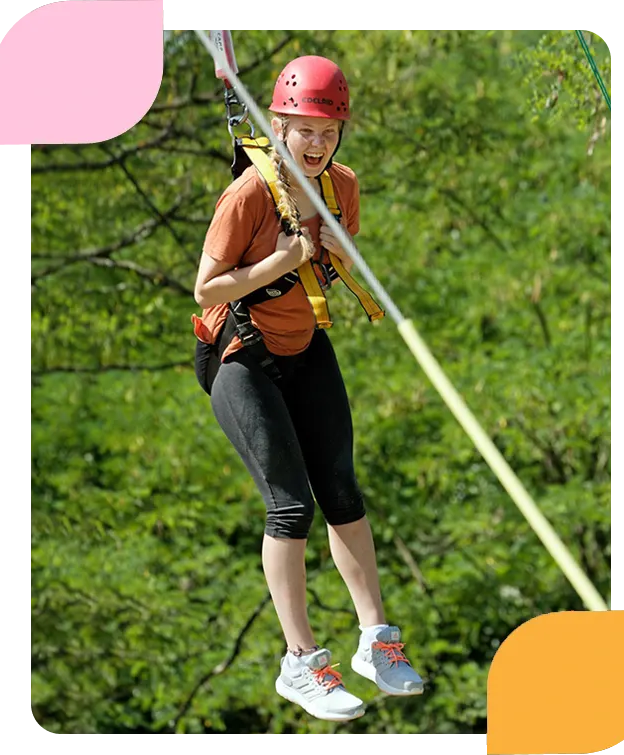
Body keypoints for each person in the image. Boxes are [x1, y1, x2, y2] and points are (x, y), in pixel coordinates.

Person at [191, 55, 423, 722]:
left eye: (329, 131)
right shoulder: (247, 197)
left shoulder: (342, 186)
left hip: (305, 346)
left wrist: (330, 247)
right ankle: (300, 661)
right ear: (281, 126)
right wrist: (282, 258)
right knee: (291, 505)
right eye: (304, 130)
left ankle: (376, 640)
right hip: (241, 354)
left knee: (343, 491)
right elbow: (206, 288)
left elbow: (342, 257)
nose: (317, 144)